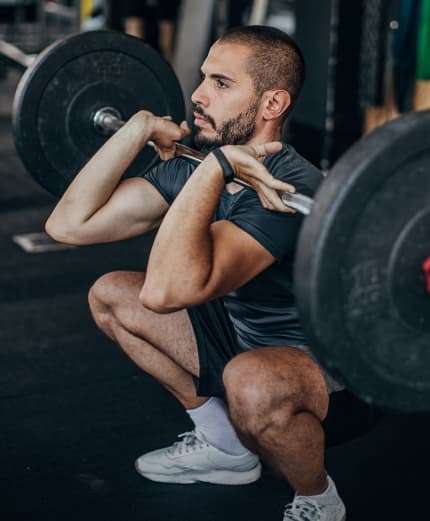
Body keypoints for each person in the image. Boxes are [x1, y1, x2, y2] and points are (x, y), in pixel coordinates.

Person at [45, 25, 346, 521]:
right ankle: (225, 445)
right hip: (236, 336)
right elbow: (68, 225)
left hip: (316, 365)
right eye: (203, 78)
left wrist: (215, 169)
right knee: (112, 295)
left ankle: (319, 497)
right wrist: (137, 128)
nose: (199, 95)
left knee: (249, 380)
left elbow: (167, 291)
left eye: (222, 84)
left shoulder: (283, 190)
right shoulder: (198, 163)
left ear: (272, 105)